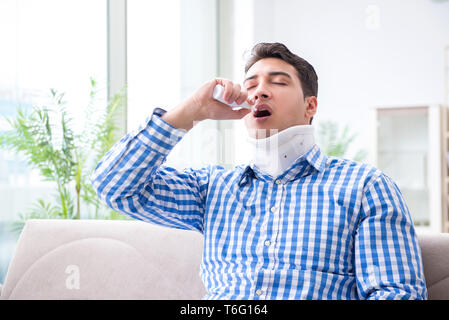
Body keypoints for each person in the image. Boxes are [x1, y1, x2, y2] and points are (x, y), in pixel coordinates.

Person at [91, 42, 427, 300]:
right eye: (250, 84)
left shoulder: (365, 187)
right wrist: (191, 111)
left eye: (277, 82)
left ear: (310, 106)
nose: (259, 91)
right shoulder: (212, 188)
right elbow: (115, 186)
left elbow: (396, 293)